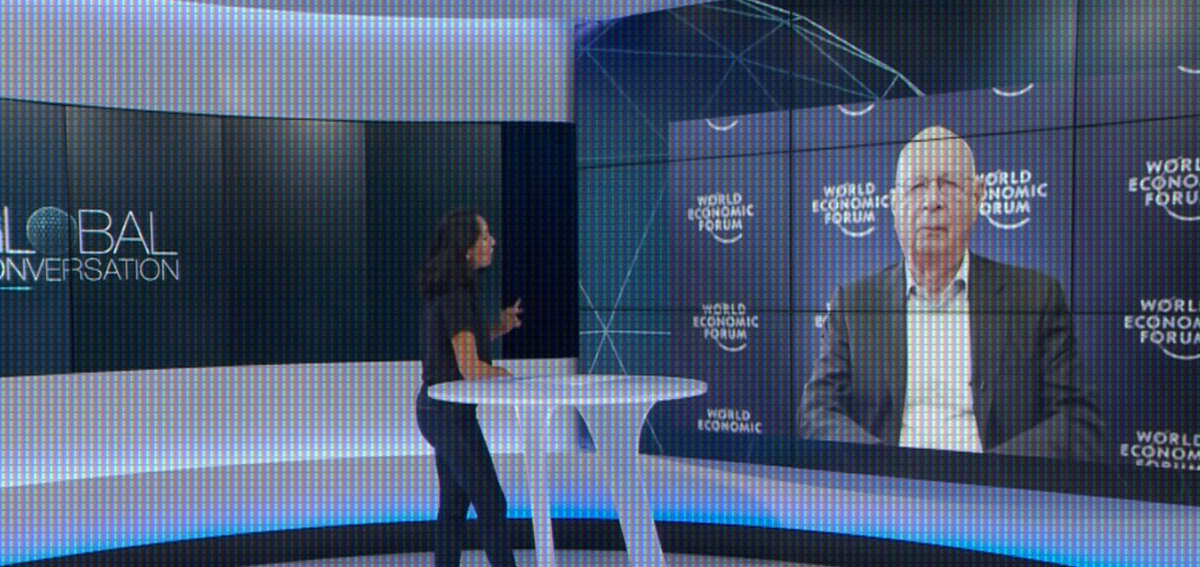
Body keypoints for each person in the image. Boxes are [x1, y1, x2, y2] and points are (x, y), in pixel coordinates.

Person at [799, 126, 1104, 461]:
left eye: (948, 184)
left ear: (976, 197)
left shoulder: (1035, 297)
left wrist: (990, 474)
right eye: (917, 186)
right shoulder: (855, 303)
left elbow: (1078, 421)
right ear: (894, 204)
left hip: (992, 486)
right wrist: (883, 467)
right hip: (887, 484)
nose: (933, 201)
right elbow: (817, 410)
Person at [415, 209, 523, 567]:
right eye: (485, 236)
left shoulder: (454, 289)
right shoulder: (456, 295)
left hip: (439, 411)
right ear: (467, 248)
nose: (492, 242)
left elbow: (457, 348)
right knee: (491, 502)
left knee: (455, 504)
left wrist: (498, 328)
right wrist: (512, 379)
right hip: (446, 415)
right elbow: (471, 369)